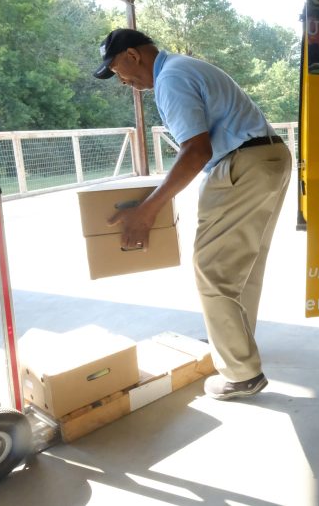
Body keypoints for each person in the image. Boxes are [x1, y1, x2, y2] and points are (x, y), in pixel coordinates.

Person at [93, 28, 291, 400]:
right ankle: (233, 345)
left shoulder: (171, 78)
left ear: (133, 55)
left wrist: (148, 209)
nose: (123, 81)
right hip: (269, 157)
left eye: (118, 70)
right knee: (242, 265)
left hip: (241, 164)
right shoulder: (185, 68)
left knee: (211, 268)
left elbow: (195, 151)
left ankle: (241, 373)